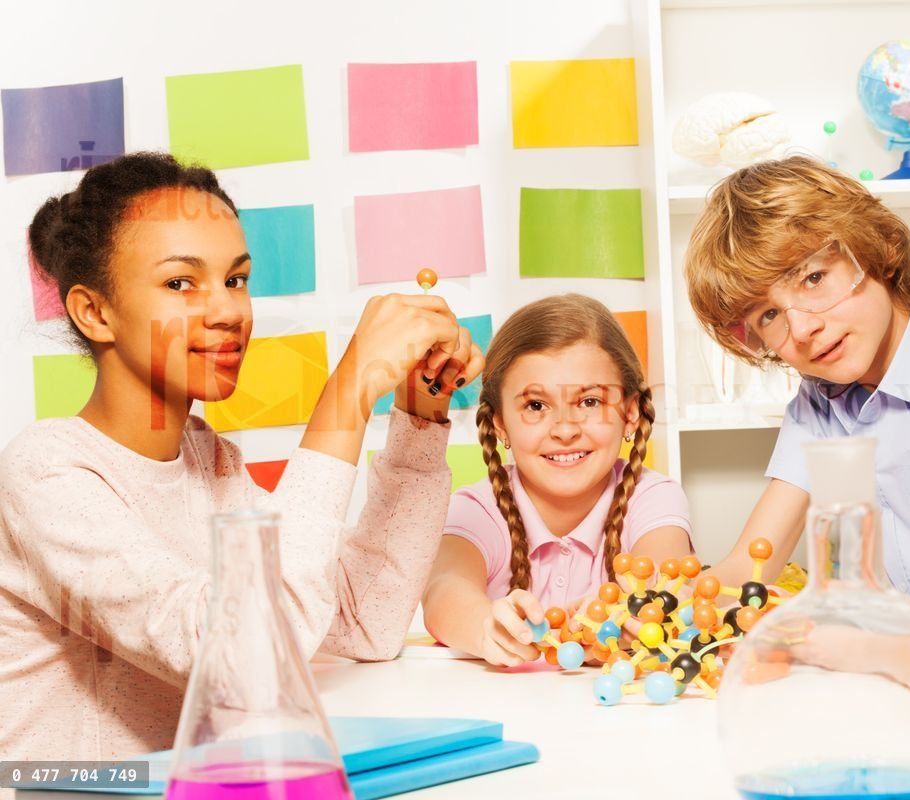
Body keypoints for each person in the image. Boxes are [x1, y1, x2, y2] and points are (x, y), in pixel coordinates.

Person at [0, 152, 483, 762]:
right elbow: (243, 662)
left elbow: (369, 620)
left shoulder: (208, 462)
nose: (229, 311)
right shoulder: (46, 474)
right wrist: (349, 390)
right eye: (181, 283)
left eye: (235, 279)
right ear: (95, 312)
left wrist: (421, 413)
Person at [686, 156, 910, 596]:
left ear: (879, 249)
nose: (802, 330)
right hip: (898, 649)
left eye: (814, 278)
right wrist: (664, 609)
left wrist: (862, 630)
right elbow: (750, 566)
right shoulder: (818, 400)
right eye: (768, 315)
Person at [421, 294, 693, 666]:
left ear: (630, 413)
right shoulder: (477, 510)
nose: (565, 430)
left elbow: (664, 582)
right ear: (501, 422)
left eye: (590, 402)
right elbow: (443, 590)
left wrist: (629, 614)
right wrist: (485, 626)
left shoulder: (653, 498)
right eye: (536, 406)